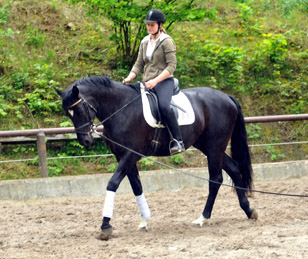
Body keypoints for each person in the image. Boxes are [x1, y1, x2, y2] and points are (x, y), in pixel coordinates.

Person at [123, 9, 185, 155]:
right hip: (147, 82)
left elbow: (171, 66)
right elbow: (139, 64)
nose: (149, 27)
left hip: (164, 81)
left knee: (164, 106)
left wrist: (155, 81)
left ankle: (178, 140)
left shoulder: (166, 41)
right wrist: (129, 77)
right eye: (148, 25)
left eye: (152, 25)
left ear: (159, 25)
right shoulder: (145, 41)